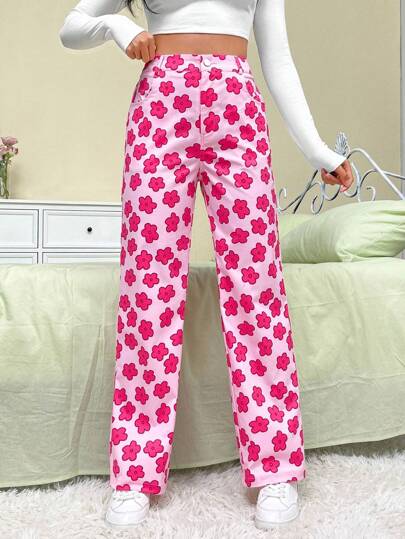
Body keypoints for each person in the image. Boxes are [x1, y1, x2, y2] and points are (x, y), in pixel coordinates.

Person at [59, 0, 354, 530]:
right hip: (160, 110)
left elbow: (277, 57)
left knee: (257, 286)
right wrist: (116, 25)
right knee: (148, 290)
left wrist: (316, 151)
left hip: (237, 111)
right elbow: (72, 28)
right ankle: (134, 472)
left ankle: (275, 466)